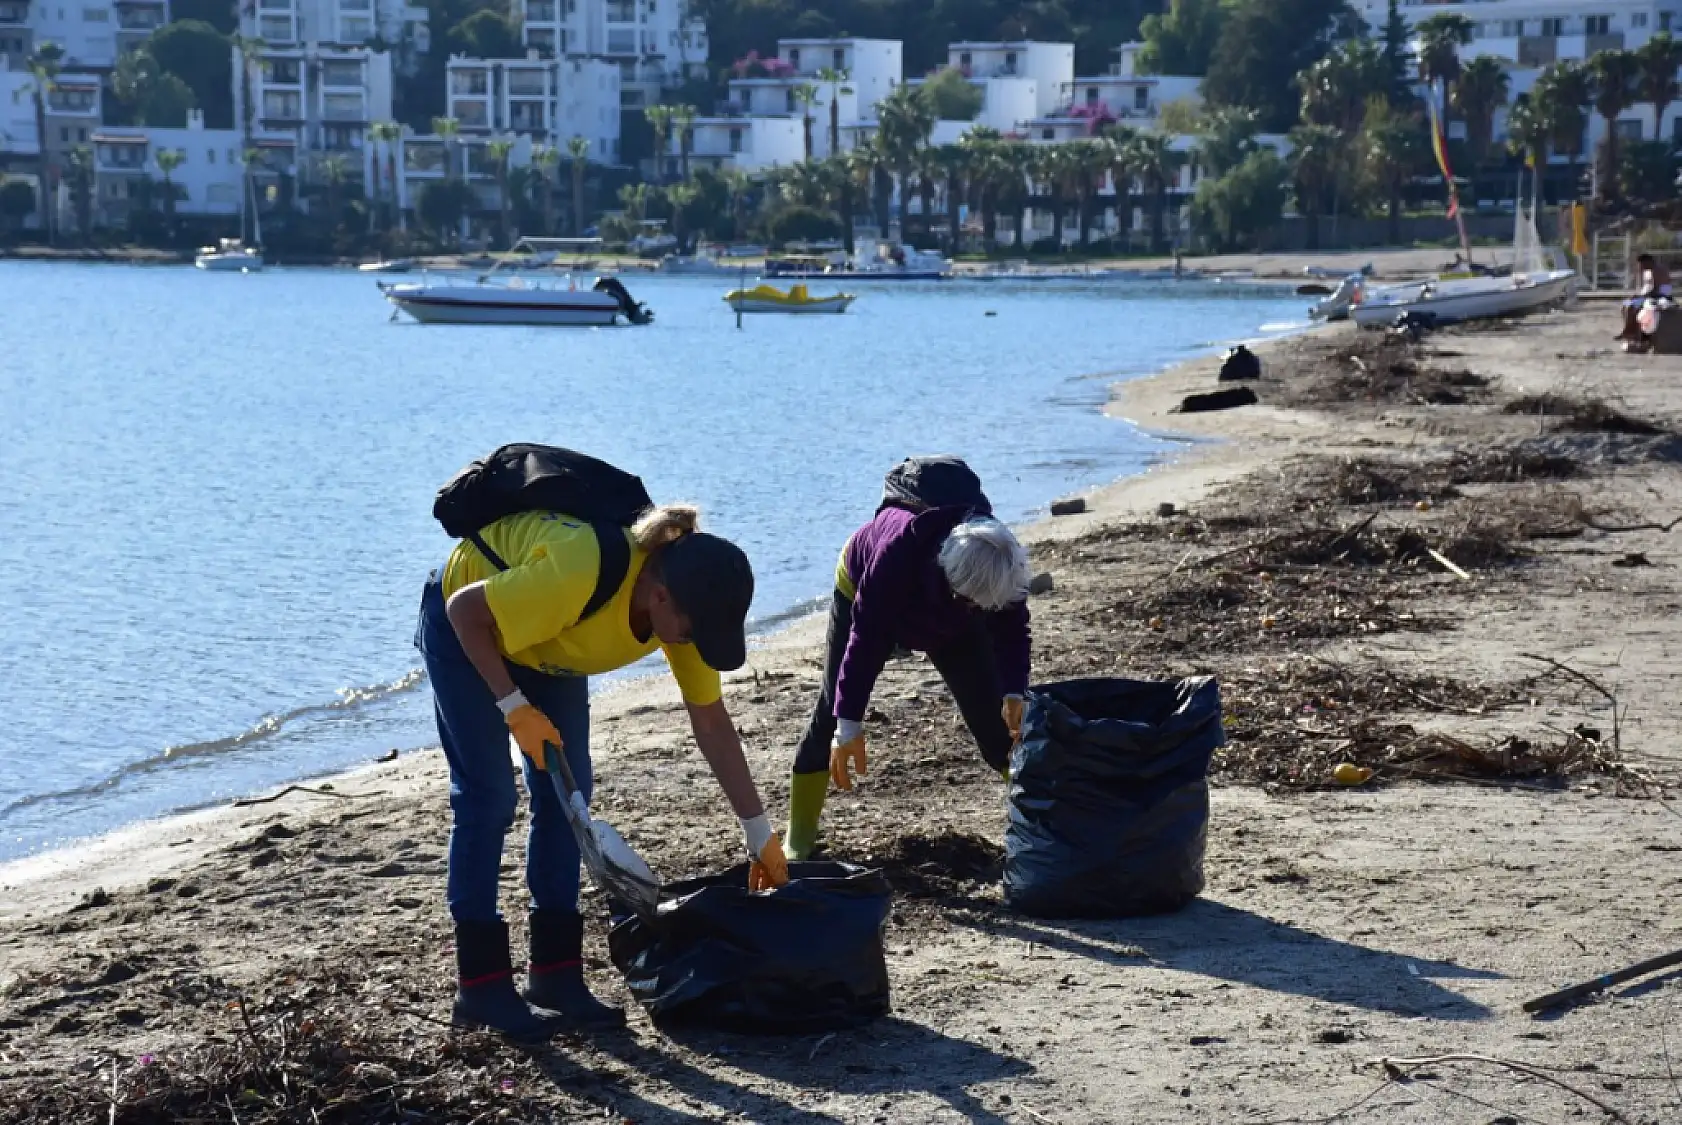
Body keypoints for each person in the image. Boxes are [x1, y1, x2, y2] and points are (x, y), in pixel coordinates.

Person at [416, 503, 789, 1041]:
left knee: (569, 797)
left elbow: (711, 723)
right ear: (660, 596)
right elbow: (463, 610)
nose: (693, 642)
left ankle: (555, 975)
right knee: (488, 797)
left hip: (548, 643)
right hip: (468, 627)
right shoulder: (581, 573)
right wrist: (513, 706)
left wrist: (758, 831)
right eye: (694, 630)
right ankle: (480, 985)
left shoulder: (681, 615)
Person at [784, 461, 1032, 860]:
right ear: (948, 577)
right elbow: (864, 642)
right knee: (831, 712)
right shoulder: (894, 555)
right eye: (972, 604)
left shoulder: (1000, 561)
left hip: (945, 613)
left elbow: (1013, 629)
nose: (979, 611)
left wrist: (1014, 689)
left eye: (983, 607)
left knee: (997, 723)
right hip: (863, 592)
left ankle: (1041, 821)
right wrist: (849, 725)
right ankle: (799, 840)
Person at [1618, 253, 1673, 346]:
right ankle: (1629, 331)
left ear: (1648, 262)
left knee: (1632, 307)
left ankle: (1631, 333)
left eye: (1642, 265)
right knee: (1625, 304)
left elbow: (1665, 290)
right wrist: (1637, 295)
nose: (1640, 267)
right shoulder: (1647, 272)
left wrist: (1644, 296)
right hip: (1647, 297)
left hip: (1660, 298)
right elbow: (1646, 288)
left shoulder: (1661, 271)